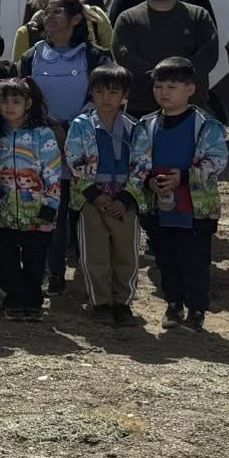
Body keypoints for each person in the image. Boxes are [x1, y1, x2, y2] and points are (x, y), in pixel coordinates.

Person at [130, 55, 228, 333]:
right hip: (159, 207)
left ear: (190, 89)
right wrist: (148, 180)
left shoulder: (205, 125)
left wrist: (185, 176)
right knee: (166, 260)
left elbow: (218, 159)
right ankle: (173, 304)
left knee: (195, 261)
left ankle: (196, 309)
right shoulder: (146, 124)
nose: (164, 92)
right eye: (159, 87)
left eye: (172, 87)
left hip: (195, 209)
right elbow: (137, 161)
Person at [20, 0, 95, 294]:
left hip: (84, 141)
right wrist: (50, 127)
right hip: (41, 141)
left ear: (75, 19)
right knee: (51, 207)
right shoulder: (31, 56)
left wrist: (71, 129)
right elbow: (22, 96)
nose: (48, 17)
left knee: (81, 208)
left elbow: (102, 95)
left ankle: (90, 272)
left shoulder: (94, 55)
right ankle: (52, 272)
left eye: (56, 12)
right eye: (45, 12)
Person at [66, 65, 139, 326]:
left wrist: (127, 198)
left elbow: (143, 163)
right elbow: (74, 159)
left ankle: (123, 303)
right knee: (94, 253)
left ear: (124, 95)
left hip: (124, 200)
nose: (105, 98)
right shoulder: (80, 125)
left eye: (113, 92)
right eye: (99, 91)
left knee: (126, 254)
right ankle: (100, 302)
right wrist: (93, 193)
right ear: (91, 93)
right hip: (91, 199)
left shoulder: (134, 128)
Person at [0, 78, 62, 321]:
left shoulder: (42, 133)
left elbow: (53, 172)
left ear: (28, 103)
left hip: (38, 212)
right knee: (5, 260)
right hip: (3, 212)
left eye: (16, 101)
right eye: (4, 101)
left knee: (35, 261)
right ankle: (13, 300)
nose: (9, 106)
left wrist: (50, 206)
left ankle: (33, 302)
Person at [112, 0, 218, 117]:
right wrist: (160, 78)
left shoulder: (198, 16)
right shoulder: (128, 19)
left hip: (190, 106)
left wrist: (178, 81)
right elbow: (125, 56)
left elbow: (208, 55)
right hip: (142, 108)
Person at [11, 0, 114, 56]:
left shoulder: (93, 15)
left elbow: (110, 51)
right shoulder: (27, 32)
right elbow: (19, 69)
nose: (48, 0)